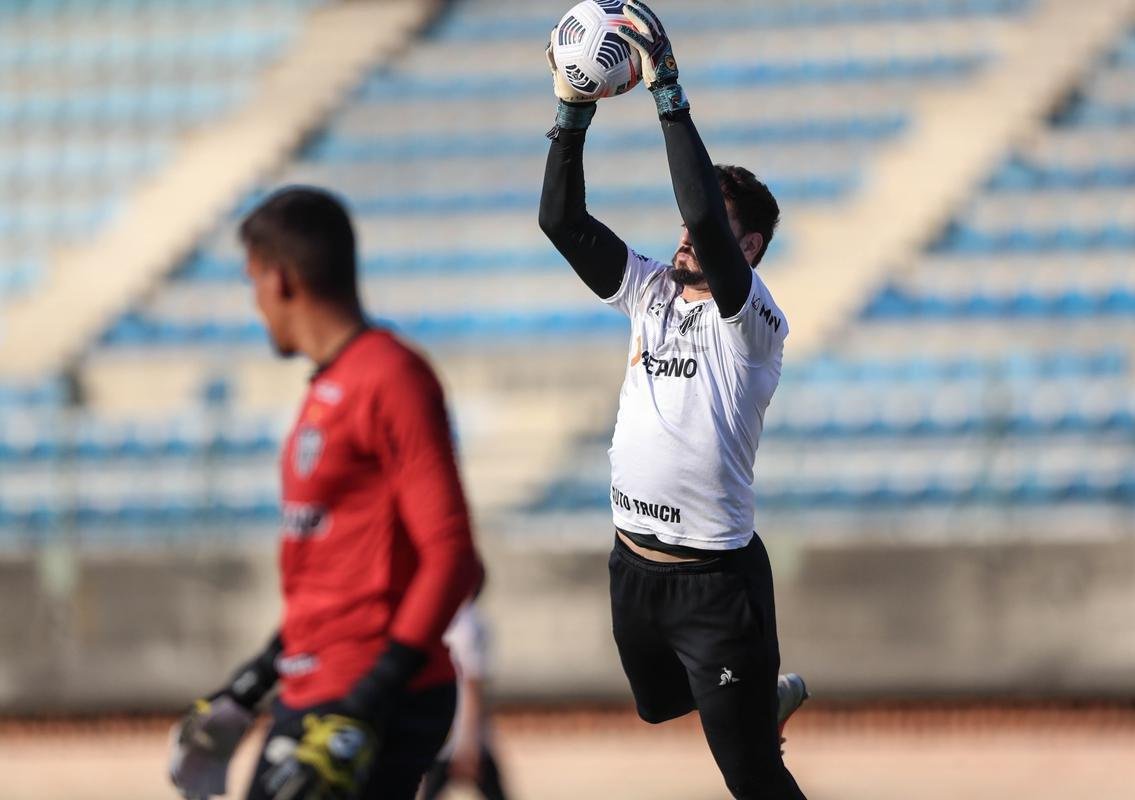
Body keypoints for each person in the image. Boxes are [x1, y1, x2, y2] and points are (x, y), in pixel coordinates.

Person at [539, 3, 808, 798]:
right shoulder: (650, 287)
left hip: (715, 586)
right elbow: (560, 219)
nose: (687, 239)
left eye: (714, 231)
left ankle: (757, 716)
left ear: (749, 249)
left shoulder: (753, 320)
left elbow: (703, 220)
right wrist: (570, 109)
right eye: (691, 229)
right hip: (633, 566)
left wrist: (667, 92)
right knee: (657, 706)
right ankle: (757, 706)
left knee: (753, 781)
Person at [168, 186, 484, 800]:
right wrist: (252, 682)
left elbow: (453, 558)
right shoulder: (328, 386)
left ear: (280, 279)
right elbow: (334, 576)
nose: (254, 301)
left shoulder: (391, 377)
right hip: (313, 690)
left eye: (252, 280)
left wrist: (367, 704)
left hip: (363, 699)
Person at [421, 598, 510, 800]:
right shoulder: (462, 623)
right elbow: (472, 684)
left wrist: (468, 742)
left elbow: (471, 683)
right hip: (456, 734)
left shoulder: (461, 623)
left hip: (453, 734)